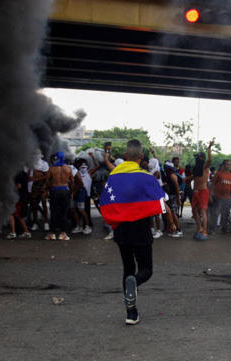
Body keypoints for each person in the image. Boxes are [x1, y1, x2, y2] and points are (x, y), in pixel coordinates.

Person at [100, 139, 168, 325]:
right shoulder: (146, 177)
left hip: (122, 231)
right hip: (141, 230)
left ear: (125, 156)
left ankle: (131, 312)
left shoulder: (114, 176)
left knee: (128, 269)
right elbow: (161, 202)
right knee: (145, 270)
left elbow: (105, 202)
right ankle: (135, 282)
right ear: (140, 157)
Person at [45, 152, 73, 241]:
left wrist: (51, 187)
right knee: (64, 212)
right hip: (65, 190)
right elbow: (72, 181)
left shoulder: (52, 169)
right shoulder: (68, 169)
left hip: (55, 190)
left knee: (54, 211)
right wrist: (71, 192)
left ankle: (52, 233)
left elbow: (47, 181)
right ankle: (63, 234)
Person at [192, 141, 215, 240]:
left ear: (201, 158)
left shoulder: (204, 166)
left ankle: (204, 231)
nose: (196, 158)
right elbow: (195, 180)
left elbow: (210, 159)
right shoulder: (196, 168)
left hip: (203, 191)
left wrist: (209, 147)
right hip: (196, 192)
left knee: (203, 211)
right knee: (194, 210)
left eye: (198, 157)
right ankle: (199, 228)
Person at [209, 160, 231, 234]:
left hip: (227, 198)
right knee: (216, 213)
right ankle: (213, 229)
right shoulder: (218, 174)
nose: (229, 166)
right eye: (227, 164)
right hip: (218, 197)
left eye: (229, 164)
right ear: (224, 165)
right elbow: (212, 185)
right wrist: (210, 195)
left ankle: (224, 229)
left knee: (225, 214)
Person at [28, 149, 50, 232]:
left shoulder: (44, 164)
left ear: (41, 155)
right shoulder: (31, 163)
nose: (35, 155)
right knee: (34, 205)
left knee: (44, 204)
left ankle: (46, 222)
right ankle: (35, 223)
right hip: (33, 187)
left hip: (42, 187)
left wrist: (36, 179)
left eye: (37, 153)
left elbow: (46, 176)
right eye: (34, 153)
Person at [8, 169, 32, 239]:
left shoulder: (17, 174)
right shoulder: (24, 173)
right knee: (19, 215)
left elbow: (19, 186)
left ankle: (13, 233)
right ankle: (26, 232)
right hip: (24, 196)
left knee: (12, 214)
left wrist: (10, 190)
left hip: (19, 197)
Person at [163, 161, 183, 238]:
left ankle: (178, 230)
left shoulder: (172, 175)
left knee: (173, 213)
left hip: (173, 196)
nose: (164, 168)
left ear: (168, 168)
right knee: (171, 213)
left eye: (165, 167)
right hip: (171, 196)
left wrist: (178, 198)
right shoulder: (169, 175)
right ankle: (173, 229)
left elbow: (177, 187)